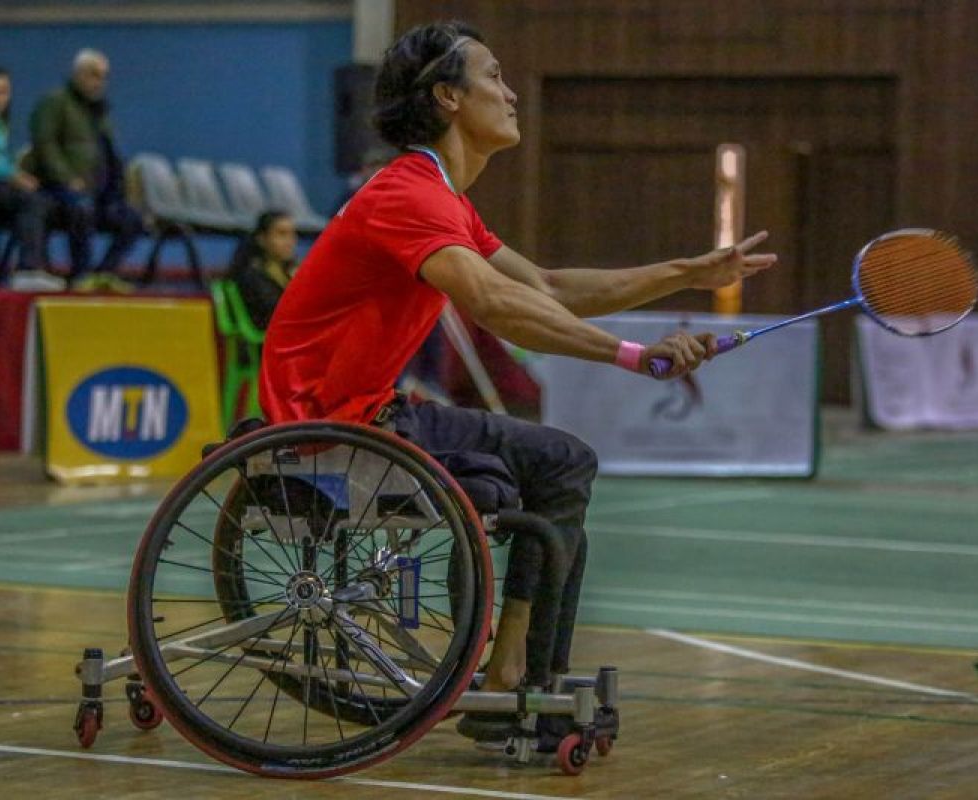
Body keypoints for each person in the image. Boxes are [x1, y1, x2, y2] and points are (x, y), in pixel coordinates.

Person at [258, 20, 775, 740]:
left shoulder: (441, 198)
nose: (510, 94)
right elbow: (497, 306)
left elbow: (549, 289)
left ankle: (517, 679)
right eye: (493, 77)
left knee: (550, 473)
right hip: (333, 430)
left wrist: (686, 273)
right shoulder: (408, 195)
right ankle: (509, 683)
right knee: (559, 465)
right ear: (446, 96)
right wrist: (632, 357)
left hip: (365, 415)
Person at [27, 49, 143, 292]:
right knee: (81, 207)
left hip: (100, 194)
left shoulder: (100, 113)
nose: (99, 82)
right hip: (60, 191)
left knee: (133, 220)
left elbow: (111, 156)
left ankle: (103, 274)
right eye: (93, 74)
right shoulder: (55, 103)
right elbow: (44, 145)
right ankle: (81, 274)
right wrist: (66, 178)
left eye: (104, 76)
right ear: (78, 74)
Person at [0, 67, 56, 288]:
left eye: (4, 92)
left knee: (44, 201)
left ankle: (37, 265)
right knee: (30, 201)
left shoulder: (2, 125)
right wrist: (13, 176)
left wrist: (18, 171)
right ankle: (28, 268)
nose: (0, 98)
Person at [227, 210, 298, 330]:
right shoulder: (252, 276)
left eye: (292, 235)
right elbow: (280, 313)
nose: (290, 242)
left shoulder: (289, 271)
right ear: (262, 239)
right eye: (282, 234)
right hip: (267, 343)